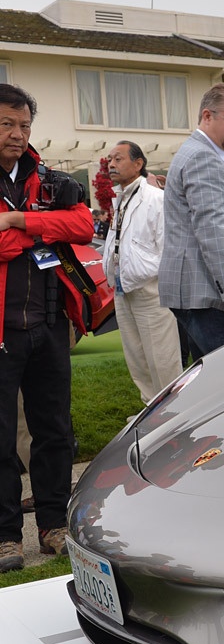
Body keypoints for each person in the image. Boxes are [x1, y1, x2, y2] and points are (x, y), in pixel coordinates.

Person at [0, 83, 94, 567]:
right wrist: (42, 229)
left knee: (55, 431)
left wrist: (19, 221)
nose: (17, 134)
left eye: (24, 125)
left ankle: (54, 525)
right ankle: (6, 537)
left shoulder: (50, 179)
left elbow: (83, 226)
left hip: (51, 323)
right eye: (6, 124)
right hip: (2, 332)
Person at [159, 82, 224, 359]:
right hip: (209, 294)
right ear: (207, 116)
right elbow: (212, 231)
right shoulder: (203, 158)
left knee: (210, 376)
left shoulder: (198, 153)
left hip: (200, 291)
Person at [102, 140, 182, 403]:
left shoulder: (157, 199)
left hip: (151, 290)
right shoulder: (120, 198)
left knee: (162, 358)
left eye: (118, 159)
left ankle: (172, 412)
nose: (111, 164)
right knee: (137, 358)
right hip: (123, 288)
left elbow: (169, 247)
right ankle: (149, 410)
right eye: (110, 159)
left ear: (138, 164)